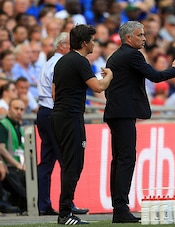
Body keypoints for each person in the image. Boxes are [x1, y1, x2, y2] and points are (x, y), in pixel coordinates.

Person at [104, 21, 175, 223]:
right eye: (140, 35)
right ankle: (120, 209)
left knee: (120, 159)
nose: (144, 38)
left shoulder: (118, 55)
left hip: (117, 113)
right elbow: (154, 76)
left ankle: (119, 208)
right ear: (129, 37)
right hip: (123, 114)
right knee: (126, 159)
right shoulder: (131, 55)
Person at [51, 24, 113, 225]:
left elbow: (54, 93)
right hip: (70, 117)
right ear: (85, 43)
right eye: (93, 40)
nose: (94, 43)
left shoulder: (61, 62)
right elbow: (98, 87)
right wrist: (109, 76)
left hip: (59, 115)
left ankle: (65, 211)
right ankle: (65, 213)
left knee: (69, 164)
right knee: (73, 165)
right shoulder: (80, 61)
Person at [37, 32, 89, 216]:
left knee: (47, 161)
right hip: (56, 112)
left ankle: (43, 204)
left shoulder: (50, 62)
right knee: (67, 160)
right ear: (61, 46)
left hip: (43, 111)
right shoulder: (62, 63)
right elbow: (55, 91)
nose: (73, 46)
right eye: (70, 44)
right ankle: (67, 205)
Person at [0, 98, 27, 213]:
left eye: (21, 109)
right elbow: (1, 149)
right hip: (9, 166)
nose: (19, 112)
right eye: (16, 108)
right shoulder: (3, 125)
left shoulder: (19, 128)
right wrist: (17, 164)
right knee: (25, 194)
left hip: (19, 167)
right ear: (8, 109)